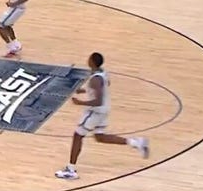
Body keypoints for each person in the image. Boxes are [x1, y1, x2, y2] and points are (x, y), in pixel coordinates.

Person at [55, 52, 149, 180]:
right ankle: (136, 142)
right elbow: (106, 84)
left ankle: (71, 170)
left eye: (89, 58)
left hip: (96, 111)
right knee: (100, 137)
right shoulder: (102, 73)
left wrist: (80, 102)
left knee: (78, 135)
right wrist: (85, 90)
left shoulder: (95, 79)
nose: (87, 60)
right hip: (104, 109)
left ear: (92, 62)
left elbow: (97, 100)